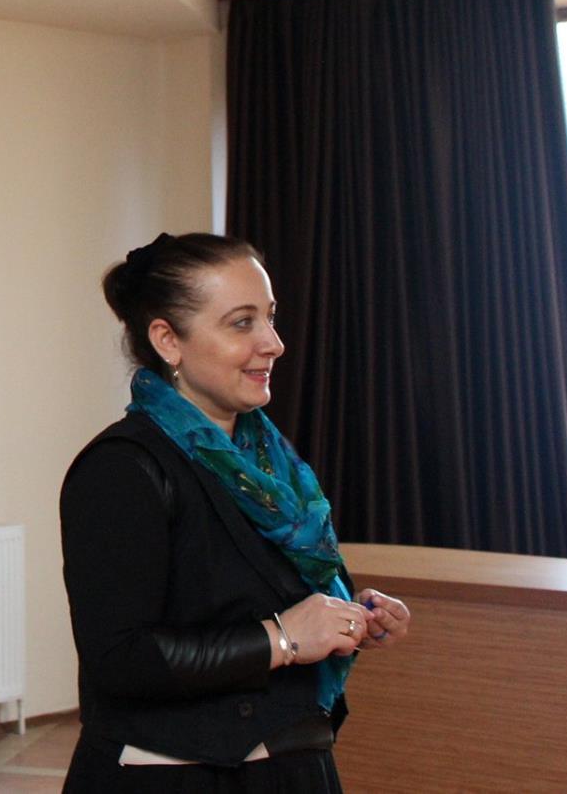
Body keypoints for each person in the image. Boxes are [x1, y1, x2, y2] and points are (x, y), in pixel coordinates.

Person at [58, 232, 411, 792]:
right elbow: (121, 658)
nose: (273, 343)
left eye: (270, 317)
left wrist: (349, 612)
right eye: (242, 322)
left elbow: (251, 595)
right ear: (168, 340)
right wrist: (284, 639)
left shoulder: (267, 463)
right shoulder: (121, 467)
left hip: (293, 766)